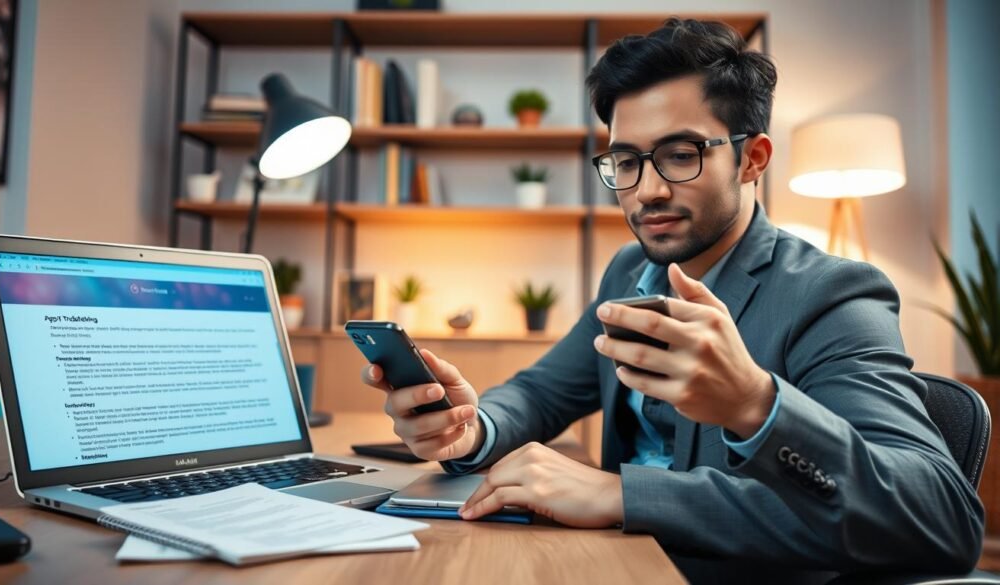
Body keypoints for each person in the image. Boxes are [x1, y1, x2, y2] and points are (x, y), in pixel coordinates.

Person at [360, 18, 983, 584]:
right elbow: (544, 391)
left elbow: (942, 518)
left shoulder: (832, 294)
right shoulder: (632, 269)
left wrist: (748, 406)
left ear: (752, 159)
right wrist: (470, 429)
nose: (648, 190)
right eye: (626, 161)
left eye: (681, 155)